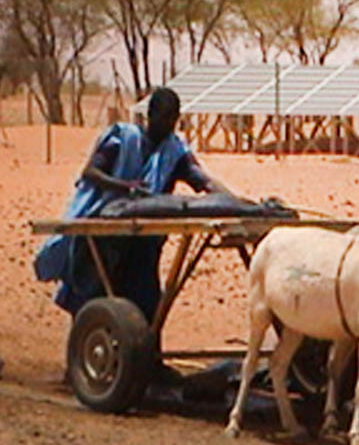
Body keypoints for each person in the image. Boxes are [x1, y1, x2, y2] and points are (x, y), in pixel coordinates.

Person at [34, 87, 230, 322]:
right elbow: (90, 172)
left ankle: (148, 356)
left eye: (174, 118)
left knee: (147, 301)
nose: (169, 124)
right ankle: (91, 351)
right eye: (165, 116)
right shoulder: (123, 139)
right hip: (106, 237)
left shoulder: (174, 151)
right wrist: (125, 187)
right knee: (98, 297)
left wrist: (234, 202)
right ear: (150, 115)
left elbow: (202, 180)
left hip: (144, 242)